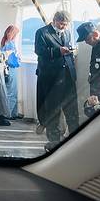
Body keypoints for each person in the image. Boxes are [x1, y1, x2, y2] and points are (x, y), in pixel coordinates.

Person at [34, 11, 79, 151]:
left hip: (67, 76)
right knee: (53, 110)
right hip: (51, 78)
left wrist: (70, 51)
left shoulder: (67, 33)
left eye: (66, 24)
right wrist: (58, 51)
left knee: (71, 108)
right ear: (54, 20)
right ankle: (54, 143)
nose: (64, 27)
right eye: (61, 24)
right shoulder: (42, 32)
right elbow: (39, 51)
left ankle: (75, 139)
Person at [0, 25, 24, 120]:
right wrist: (18, 60)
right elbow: (10, 60)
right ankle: (8, 114)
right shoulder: (10, 44)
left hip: (7, 69)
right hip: (11, 69)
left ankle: (14, 113)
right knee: (12, 92)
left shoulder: (4, 42)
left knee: (12, 91)